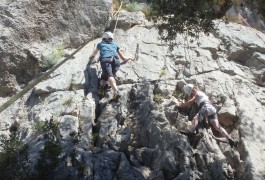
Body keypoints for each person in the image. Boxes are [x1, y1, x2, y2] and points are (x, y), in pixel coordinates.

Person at [89, 31, 132, 101]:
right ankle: (102, 88)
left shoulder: (100, 44)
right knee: (104, 77)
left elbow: (94, 53)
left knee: (110, 76)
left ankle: (116, 92)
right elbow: (123, 58)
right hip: (116, 61)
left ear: (104, 38)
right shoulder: (115, 45)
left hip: (106, 60)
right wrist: (129, 58)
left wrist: (90, 59)